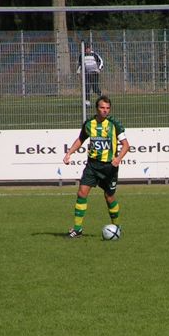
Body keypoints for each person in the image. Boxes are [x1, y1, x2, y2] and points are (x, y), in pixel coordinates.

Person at [63, 95, 130, 239]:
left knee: (109, 197)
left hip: (109, 167)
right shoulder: (89, 124)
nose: (105, 111)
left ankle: (117, 227)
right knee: (81, 193)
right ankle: (77, 229)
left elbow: (126, 145)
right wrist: (69, 153)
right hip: (92, 166)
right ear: (96, 108)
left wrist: (118, 158)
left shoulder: (115, 124)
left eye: (107, 108)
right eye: (102, 108)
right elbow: (81, 139)